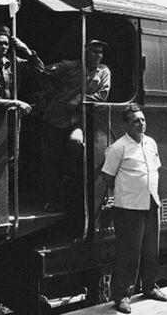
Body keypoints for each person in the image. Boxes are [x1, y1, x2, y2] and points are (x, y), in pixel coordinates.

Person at [101, 105, 167, 314]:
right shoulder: (118, 147)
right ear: (126, 125)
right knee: (128, 254)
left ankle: (149, 287)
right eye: (136, 121)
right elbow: (108, 178)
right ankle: (121, 296)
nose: (141, 124)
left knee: (151, 250)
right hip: (129, 207)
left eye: (143, 120)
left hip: (151, 203)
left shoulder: (151, 143)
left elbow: (154, 169)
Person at [40, 40, 111, 212]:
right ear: (85, 52)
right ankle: (51, 200)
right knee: (51, 161)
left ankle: (67, 195)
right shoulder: (69, 65)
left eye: (100, 52)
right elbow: (43, 72)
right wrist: (52, 94)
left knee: (75, 144)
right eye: (94, 51)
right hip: (55, 118)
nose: (98, 55)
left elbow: (102, 95)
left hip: (78, 120)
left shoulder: (104, 71)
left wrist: (79, 99)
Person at [0, 26, 43, 113]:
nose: (4, 47)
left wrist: (26, 50)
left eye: (6, 44)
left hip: (13, 115)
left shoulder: (14, 63)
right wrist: (15, 103)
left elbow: (39, 71)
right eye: (0, 43)